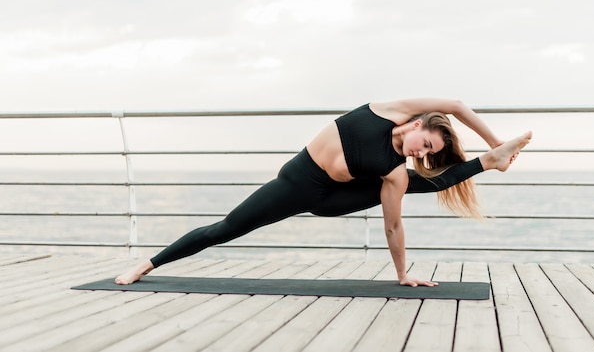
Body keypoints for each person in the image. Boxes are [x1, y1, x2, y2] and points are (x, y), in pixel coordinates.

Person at [115, 98, 532, 287]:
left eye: (429, 152)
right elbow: (457, 105)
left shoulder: (394, 171)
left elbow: (392, 225)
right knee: (225, 228)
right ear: (418, 123)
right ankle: (145, 266)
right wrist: (495, 140)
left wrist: (402, 275)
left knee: (415, 182)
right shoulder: (385, 111)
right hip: (295, 186)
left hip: (334, 201)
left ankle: (488, 163)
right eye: (425, 142)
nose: (420, 151)